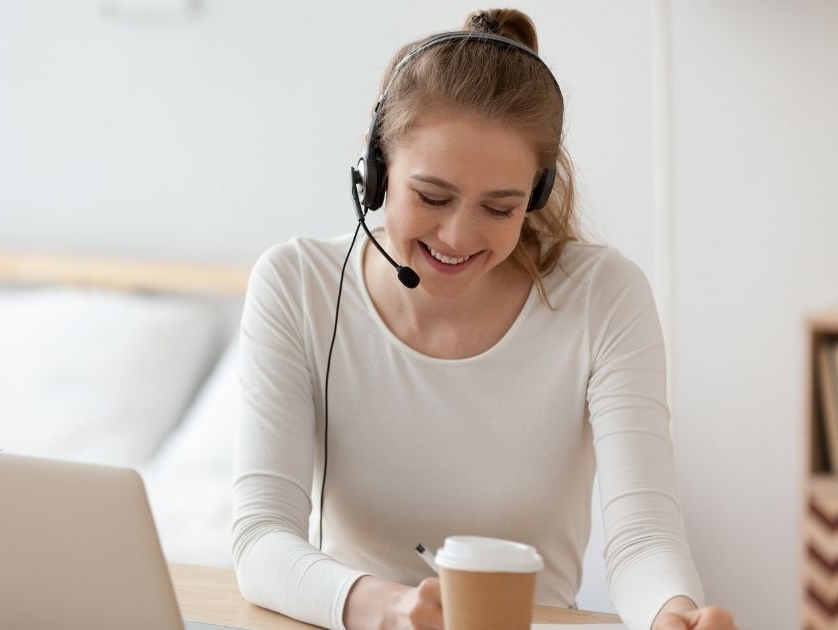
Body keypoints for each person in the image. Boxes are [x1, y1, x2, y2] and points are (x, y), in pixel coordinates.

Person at [231, 8, 737, 630]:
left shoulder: (603, 296)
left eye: (500, 208)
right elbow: (261, 535)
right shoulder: (297, 284)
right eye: (432, 197)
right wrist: (392, 611)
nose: (457, 235)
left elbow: (641, 541)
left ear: (539, 194)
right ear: (377, 172)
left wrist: (672, 615)